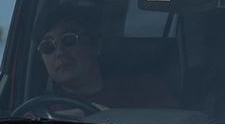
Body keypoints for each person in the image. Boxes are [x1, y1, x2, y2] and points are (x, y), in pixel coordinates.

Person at [34, 13, 175, 111]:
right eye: (47, 46)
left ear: (96, 46)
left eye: (69, 40)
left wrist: (106, 118)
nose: (59, 52)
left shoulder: (147, 90)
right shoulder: (41, 114)